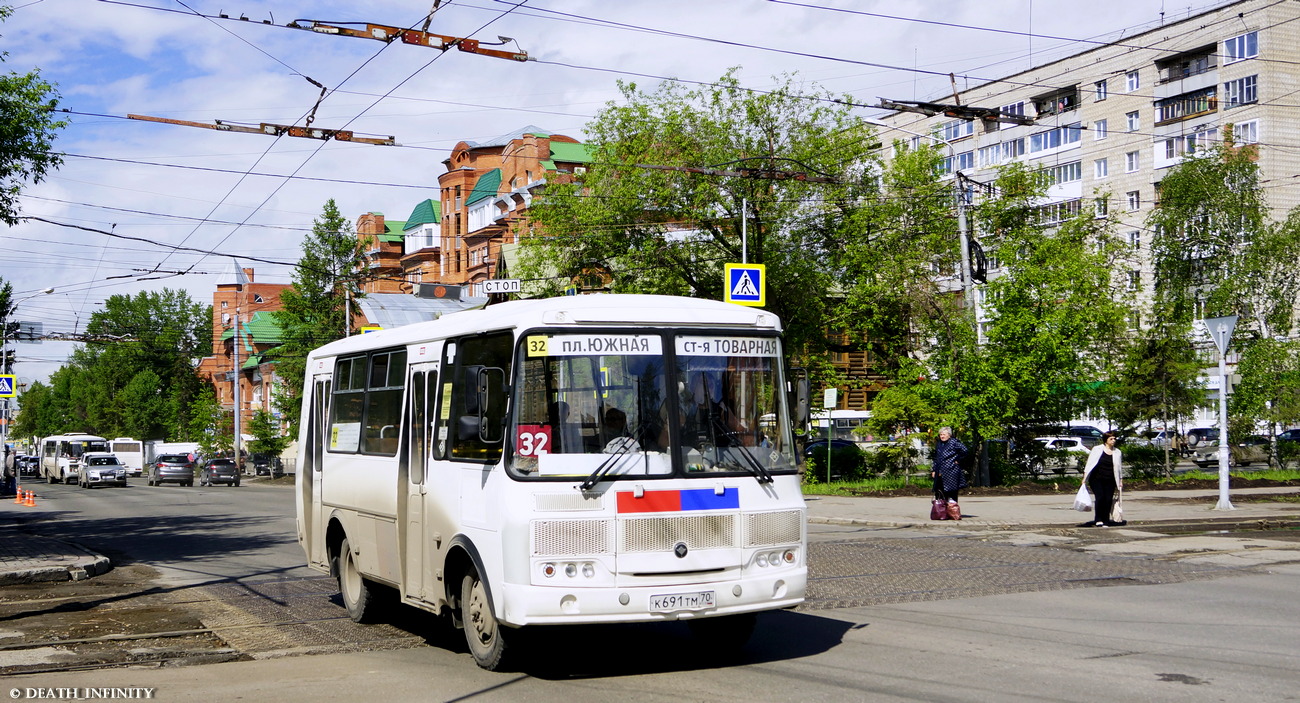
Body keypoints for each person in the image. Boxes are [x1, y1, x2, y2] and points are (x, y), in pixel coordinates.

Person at [1082, 431, 1124, 526]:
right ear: (1106, 440)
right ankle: (1098, 519)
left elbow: (1119, 468)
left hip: (1110, 479)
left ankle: (1106, 520)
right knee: (1100, 497)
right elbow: (1089, 463)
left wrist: (1120, 480)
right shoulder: (1097, 449)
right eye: (1111, 439)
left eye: (1114, 439)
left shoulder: (1117, 452)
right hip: (1097, 479)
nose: (1113, 441)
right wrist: (1084, 477)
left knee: (1108, 499)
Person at [931, 427, 968, 518]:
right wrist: (934, 469)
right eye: (940, 435)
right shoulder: (939, 444)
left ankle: (953, 512)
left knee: (951, 491)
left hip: (951, 470)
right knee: (939, 491)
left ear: (949, 435)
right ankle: (941, 512)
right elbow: (937, 458)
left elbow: (965, 450)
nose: (942, 436)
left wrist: (957, 459)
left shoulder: (954, 442)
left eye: (944, 434)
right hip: (940, 470)